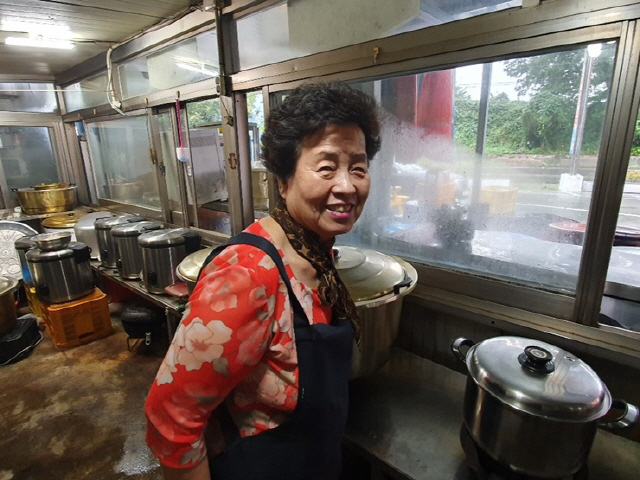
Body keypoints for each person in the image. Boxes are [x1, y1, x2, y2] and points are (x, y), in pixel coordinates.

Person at [144, 82, 381, 480]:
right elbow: (171, 417)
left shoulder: (314, 251)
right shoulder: (247, 275)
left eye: (357, 167)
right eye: (326, 167)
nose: (347, 185)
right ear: (283, 179)